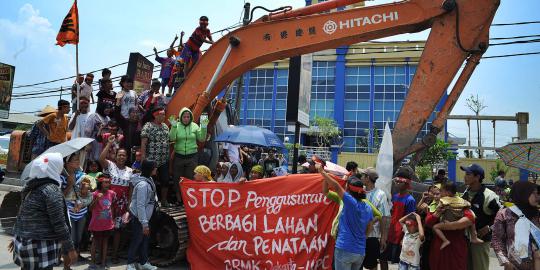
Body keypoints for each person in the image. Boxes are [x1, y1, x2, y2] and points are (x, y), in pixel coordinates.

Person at [11, 153, 78, 270]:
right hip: (40, 247)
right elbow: (59, 223)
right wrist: (70, 249)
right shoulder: (51, 190)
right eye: (60, 166)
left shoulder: (30, 187)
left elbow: (22, 214)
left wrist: (16, 235)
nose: (61, 169)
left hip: (24, 244)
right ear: (54, 167)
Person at [318, 164, 373, 269]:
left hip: (345, 248)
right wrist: (363, 237)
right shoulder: (367, 207)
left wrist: (322, 172)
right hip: (360, 251)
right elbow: (370, 226)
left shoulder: (350, 202)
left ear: (349, 190)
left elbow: (336, 186)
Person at [99, 135, 133, 263]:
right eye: (119, 155)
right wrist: (109, 143)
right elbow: (101, 158)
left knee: (118, 231)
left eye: (124, 155)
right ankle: (101, 255)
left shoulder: (130, 171)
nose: (121, 157)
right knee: (105, 230)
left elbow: (130, 189)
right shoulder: (110, 166)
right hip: (108, 204)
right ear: (115, 156)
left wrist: (129, 204)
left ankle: (114, 255)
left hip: (122, 205)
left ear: (127, 157)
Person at [461, 164, 501, 270]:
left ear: (477, 177)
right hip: (464, 239)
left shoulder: (489, 196)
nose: (464, 176)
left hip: (481, 241)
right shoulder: (465, 193)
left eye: (468, 174)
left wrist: (489, 228)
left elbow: (502, 216)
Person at [492, 181, 540, 270]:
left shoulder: (537, 214)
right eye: (533, 193)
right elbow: (497, 240)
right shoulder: (505, 213)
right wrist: (506, 262)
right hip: (513, 266)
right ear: (523, 193)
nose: (537, 196)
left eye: (538, 193)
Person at [425, 194, 475, 270]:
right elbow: (428, 223)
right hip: (439, 245)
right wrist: (437, 213)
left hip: (456, 245)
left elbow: (471, 219)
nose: (436, 196)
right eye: (433, 193)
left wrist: (452, 225)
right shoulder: (434, 206)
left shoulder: (460, 204)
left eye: (439, 193)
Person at [380, 166, 417, 270]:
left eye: (400, 182)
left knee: (400, 263)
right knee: (382, 258)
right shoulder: (395, 196)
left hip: (400, 236)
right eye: (396, 181)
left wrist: (404, 237)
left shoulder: (410, 200)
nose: (397, 183)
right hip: (390, 233)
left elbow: (410, 220)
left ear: (407, 184)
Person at [127, 160, 159, 270]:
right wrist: (144, 223)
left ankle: (143, 262)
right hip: (139, 217)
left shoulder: (149, 179)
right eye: (154, 167)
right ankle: (130, 264)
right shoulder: (142, 185)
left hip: (146, 216)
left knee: (145, 240)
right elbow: (140, 205)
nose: (156, 169)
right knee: (137, 239)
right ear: (149, 169)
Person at [433, 182, 483, 249]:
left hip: (448, 221)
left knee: (435, 227)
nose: (440, 193)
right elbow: (468, 204)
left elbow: (438, 209)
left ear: (447, 192)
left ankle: (445, 240)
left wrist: (438, 210)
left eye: (441, 191)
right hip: (459, 218)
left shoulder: (444, 200)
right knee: (472, 214)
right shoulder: (460, 199)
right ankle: (474, 236)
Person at [169, 107, 206, 196]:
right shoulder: (177, 126)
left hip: (192, 156)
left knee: (190, 177)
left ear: (191, 117)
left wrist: (204, 127)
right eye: (184, 117)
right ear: (181, 117)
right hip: (179, 156)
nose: (186, 119)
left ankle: (189, 198)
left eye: (188, 117)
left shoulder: (195, 126)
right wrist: (173, 126)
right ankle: (178, 198)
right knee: (177, 178)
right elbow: (172, 138)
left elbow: (202, 139)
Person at [360, 167, 391, 270]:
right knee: (357, 263)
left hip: (372, 237)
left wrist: (383, 238)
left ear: (368, 178)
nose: (361, 177)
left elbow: (385, 217)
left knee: (372, 265)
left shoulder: (380, 194)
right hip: (358, 235)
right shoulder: (359, 192)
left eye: (363, 175)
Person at [141, 107, 171, 206]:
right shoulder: (148, 126)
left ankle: (164, 200)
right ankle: (152, 201)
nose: (164, 116)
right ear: (155, 115)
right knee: (151, 181)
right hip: (151, 159)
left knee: (165, 180)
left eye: (164, 114)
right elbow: (144, 143)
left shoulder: (166, 126)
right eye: (161, 114)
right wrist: (143, 158)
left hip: (164, 159)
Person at [88, 173, 116, 270]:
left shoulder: (112, 193)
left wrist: (112, 220)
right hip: (96, 223)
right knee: (95, 242)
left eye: (108, 182)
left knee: (105, 242)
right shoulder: (95, 193)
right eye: (105, 182)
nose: (107, 184)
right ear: (100, 183)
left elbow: (112, 207)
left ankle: (103, 262)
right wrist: (96, 199)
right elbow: (90, 209)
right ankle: (92, 263)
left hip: (107, 224)